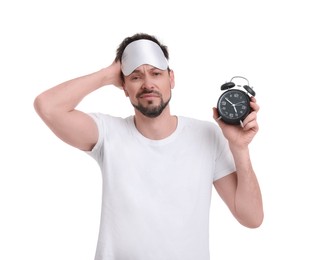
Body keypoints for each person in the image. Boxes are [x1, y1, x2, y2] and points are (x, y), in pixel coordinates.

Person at [33, 32, 263, 260]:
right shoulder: (107, 134)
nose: (148, 84)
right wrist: (107, 74)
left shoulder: (207, 135)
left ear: (171, 79)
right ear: (123, 86)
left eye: (156, 73)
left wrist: (240, 148)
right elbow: (47, 106)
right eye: (135, 77)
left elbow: (251, 218)